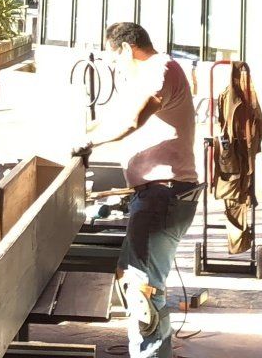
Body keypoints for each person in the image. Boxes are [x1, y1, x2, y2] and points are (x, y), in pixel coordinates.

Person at [76, 21, 200, 358]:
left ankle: (151, 354)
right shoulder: (147, 75)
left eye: (114, 59)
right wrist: (84, 129)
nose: (113, 66)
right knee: (143, 285)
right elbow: (115, 116)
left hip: (165, 194)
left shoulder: (161, 70)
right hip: (158, 194)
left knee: (144, 291)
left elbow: (133, 120)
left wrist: (87, 143)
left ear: (128, 48)